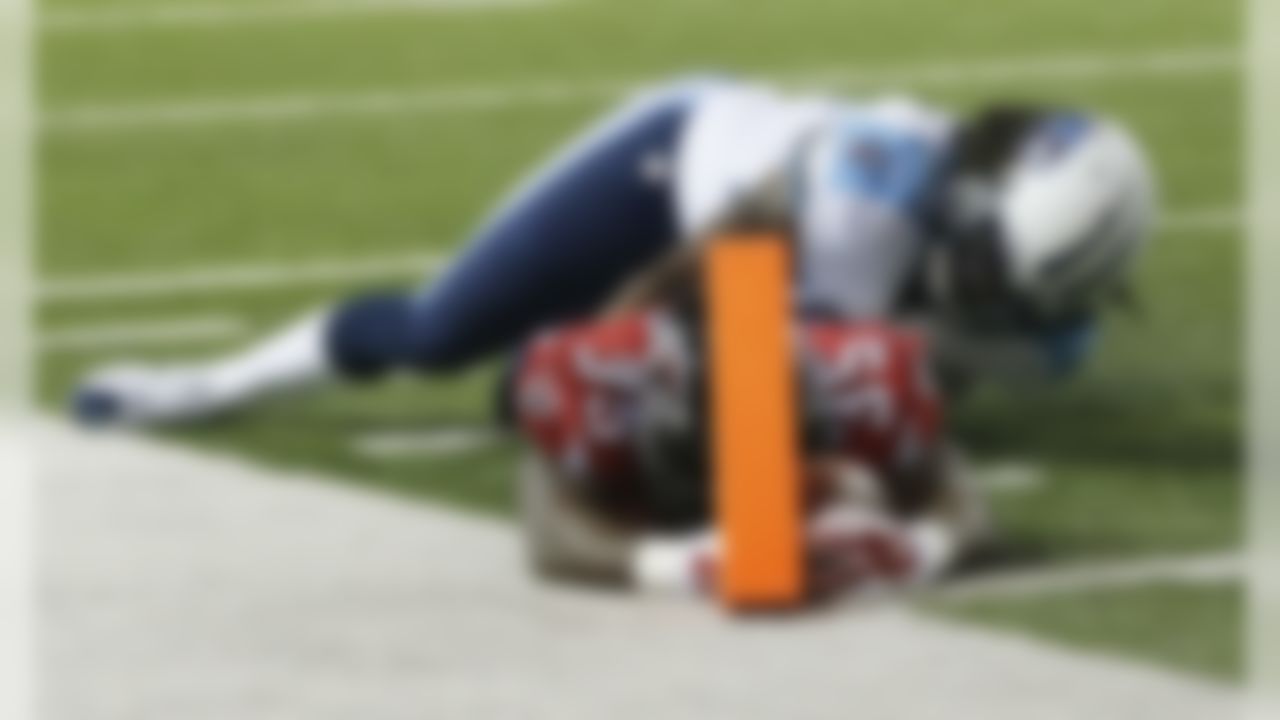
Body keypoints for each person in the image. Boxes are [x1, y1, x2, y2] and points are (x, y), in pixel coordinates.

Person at [72, 75, 1156, 425]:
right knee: (439, 334)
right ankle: (202, 387)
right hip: (671, 168)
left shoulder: (1040, 328)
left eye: (1002, 291)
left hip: (769, 280)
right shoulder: (866, 194)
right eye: (974, 262)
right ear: (967, 189)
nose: (978, 294)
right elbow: (782, 364)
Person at [509, 303, 987, 602]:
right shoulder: (593, 385)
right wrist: (671, 562)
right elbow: (547, 531)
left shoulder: (869, 386)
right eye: (704, 465)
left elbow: (961, 497)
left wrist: (921, 547)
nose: (722, 496)